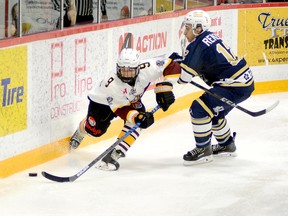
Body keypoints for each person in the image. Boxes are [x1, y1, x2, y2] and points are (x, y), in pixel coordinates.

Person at [169, 10, 254, 165]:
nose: (185, 31)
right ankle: (227, 145)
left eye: (188, 28)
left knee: (199, 108)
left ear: (198, 28)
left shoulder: (197, 45)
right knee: (213, 112)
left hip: (234, 85)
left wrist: (168, 80)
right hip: (242, 82)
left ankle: (203, 150)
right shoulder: (207, 38)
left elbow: (184, 78)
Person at [69, 48, 177, 171]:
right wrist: (136, 116)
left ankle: (116, 153)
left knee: (139, 122)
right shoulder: (111, 84)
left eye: (130, 71)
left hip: (129, 100)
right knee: (95, 131)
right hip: (102, 102)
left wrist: (167, 86)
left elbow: (171, 64)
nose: (126, 74)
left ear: (137, 68)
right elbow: (120, 109)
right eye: (123, 70)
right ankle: (82, 130)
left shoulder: (147, 68)